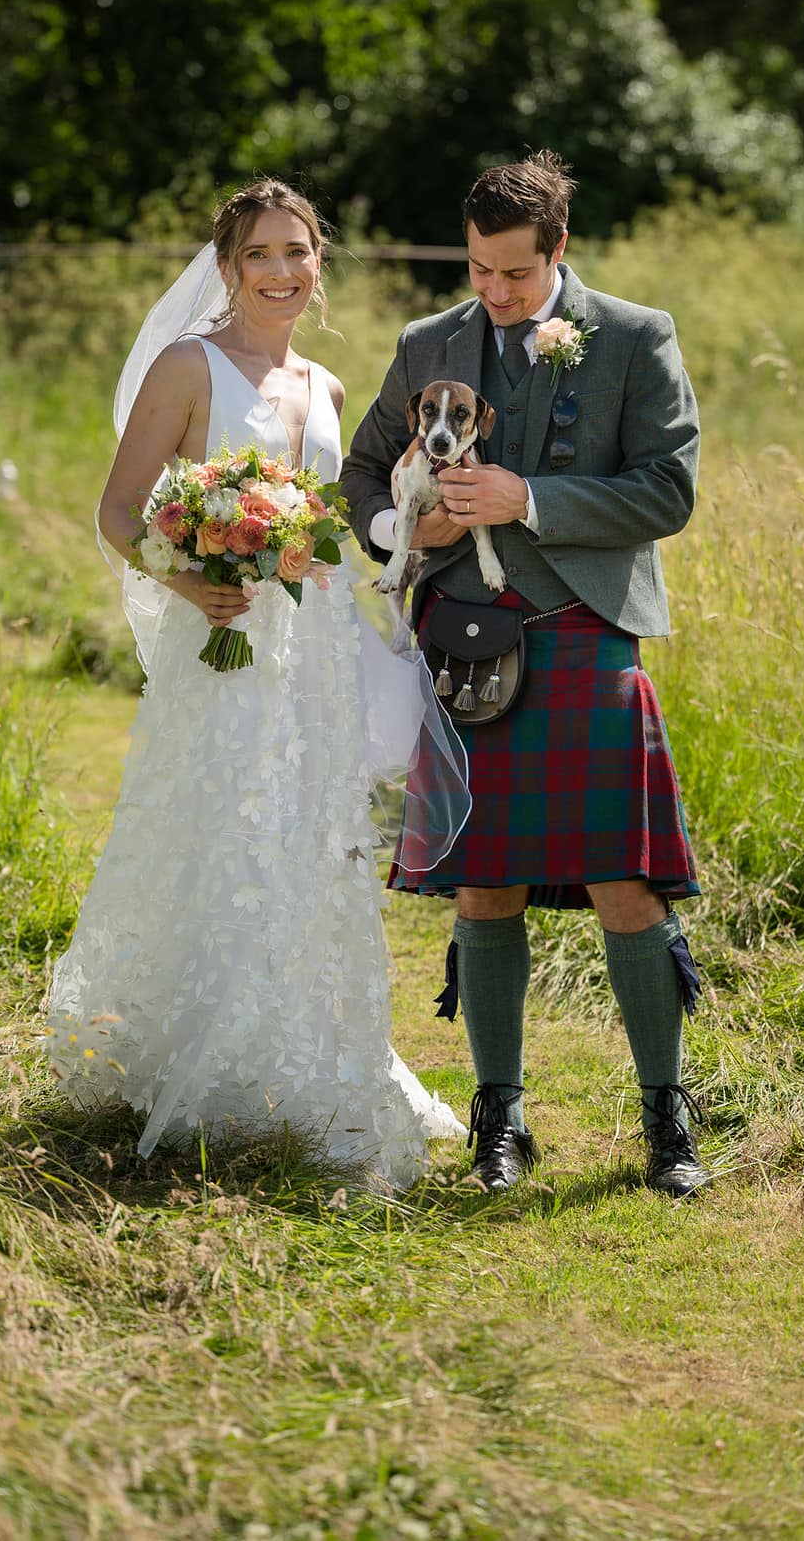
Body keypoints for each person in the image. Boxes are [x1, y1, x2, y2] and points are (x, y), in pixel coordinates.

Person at [46, 179, 467, 1185]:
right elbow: (117, 510)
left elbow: (324, 515)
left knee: (309, 836)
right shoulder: (187, 367)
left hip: (310, 647)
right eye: (261, 255)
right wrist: (191, 578)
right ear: (229, 269)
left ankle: (313, 1049)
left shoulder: (324, 386)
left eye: (298, 252)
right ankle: (202, 1052)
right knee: (218, 824)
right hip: (219, 635)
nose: (281, 271)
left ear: (319, 265)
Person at [342, 151, 711, 1197]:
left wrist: (529, 500)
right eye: (477, 271)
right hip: (464, 636)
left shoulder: (636, 336)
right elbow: (363, 472)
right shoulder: (427, 345)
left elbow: (668, 488)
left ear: (559, 250)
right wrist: (399, 521)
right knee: (485, 877)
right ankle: (499, 1121)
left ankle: (665, 1119)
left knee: (624, 882)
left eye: (513, 274)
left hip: (584, 628)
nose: (494, 294)